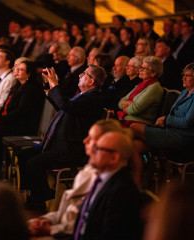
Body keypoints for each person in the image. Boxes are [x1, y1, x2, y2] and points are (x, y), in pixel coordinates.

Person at [19, 65, 107, 207]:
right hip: (59, 142)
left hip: (70, 148)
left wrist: (55, 85)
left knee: (33, 163)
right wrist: (52, 88)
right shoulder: (83, 95)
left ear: (91, 81)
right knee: (23, 155)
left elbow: (67, 106)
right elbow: (64, 107)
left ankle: (39, 198)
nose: (79, 75)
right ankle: (34, 192)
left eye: (84, 74)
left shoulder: (94, 98)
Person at [28, 119, 128, 237]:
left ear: (114, 158)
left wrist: (52, 230)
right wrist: (46, 220)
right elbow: (67, 212)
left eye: (93, 141)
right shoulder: (87, 173)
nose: (85, 141)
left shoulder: (118, 191)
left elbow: (87, 227)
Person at [72, 131, 141, 240]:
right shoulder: (101, 180)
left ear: (113, 158)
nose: (92, 151)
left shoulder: (121, 191)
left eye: (97, 148)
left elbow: (108, 236)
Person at [131, 62, 194, 152]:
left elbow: (187, 122)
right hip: (171, 129)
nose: (183, 78)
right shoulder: (184, 92)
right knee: (135, 146)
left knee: (134, 127)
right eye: (184, 75)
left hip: (182, 136)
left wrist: (165, 119)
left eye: (188, 76)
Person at [118, 56, 164, 125]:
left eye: (144, 68)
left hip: (139, 122)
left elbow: (135, 110)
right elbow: (120, 101)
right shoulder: (141, 84)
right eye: (141, 67)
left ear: (153, 73)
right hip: (128, 118)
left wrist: (126, 106)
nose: (140, 70)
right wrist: (130, 103)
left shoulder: (155, 88)